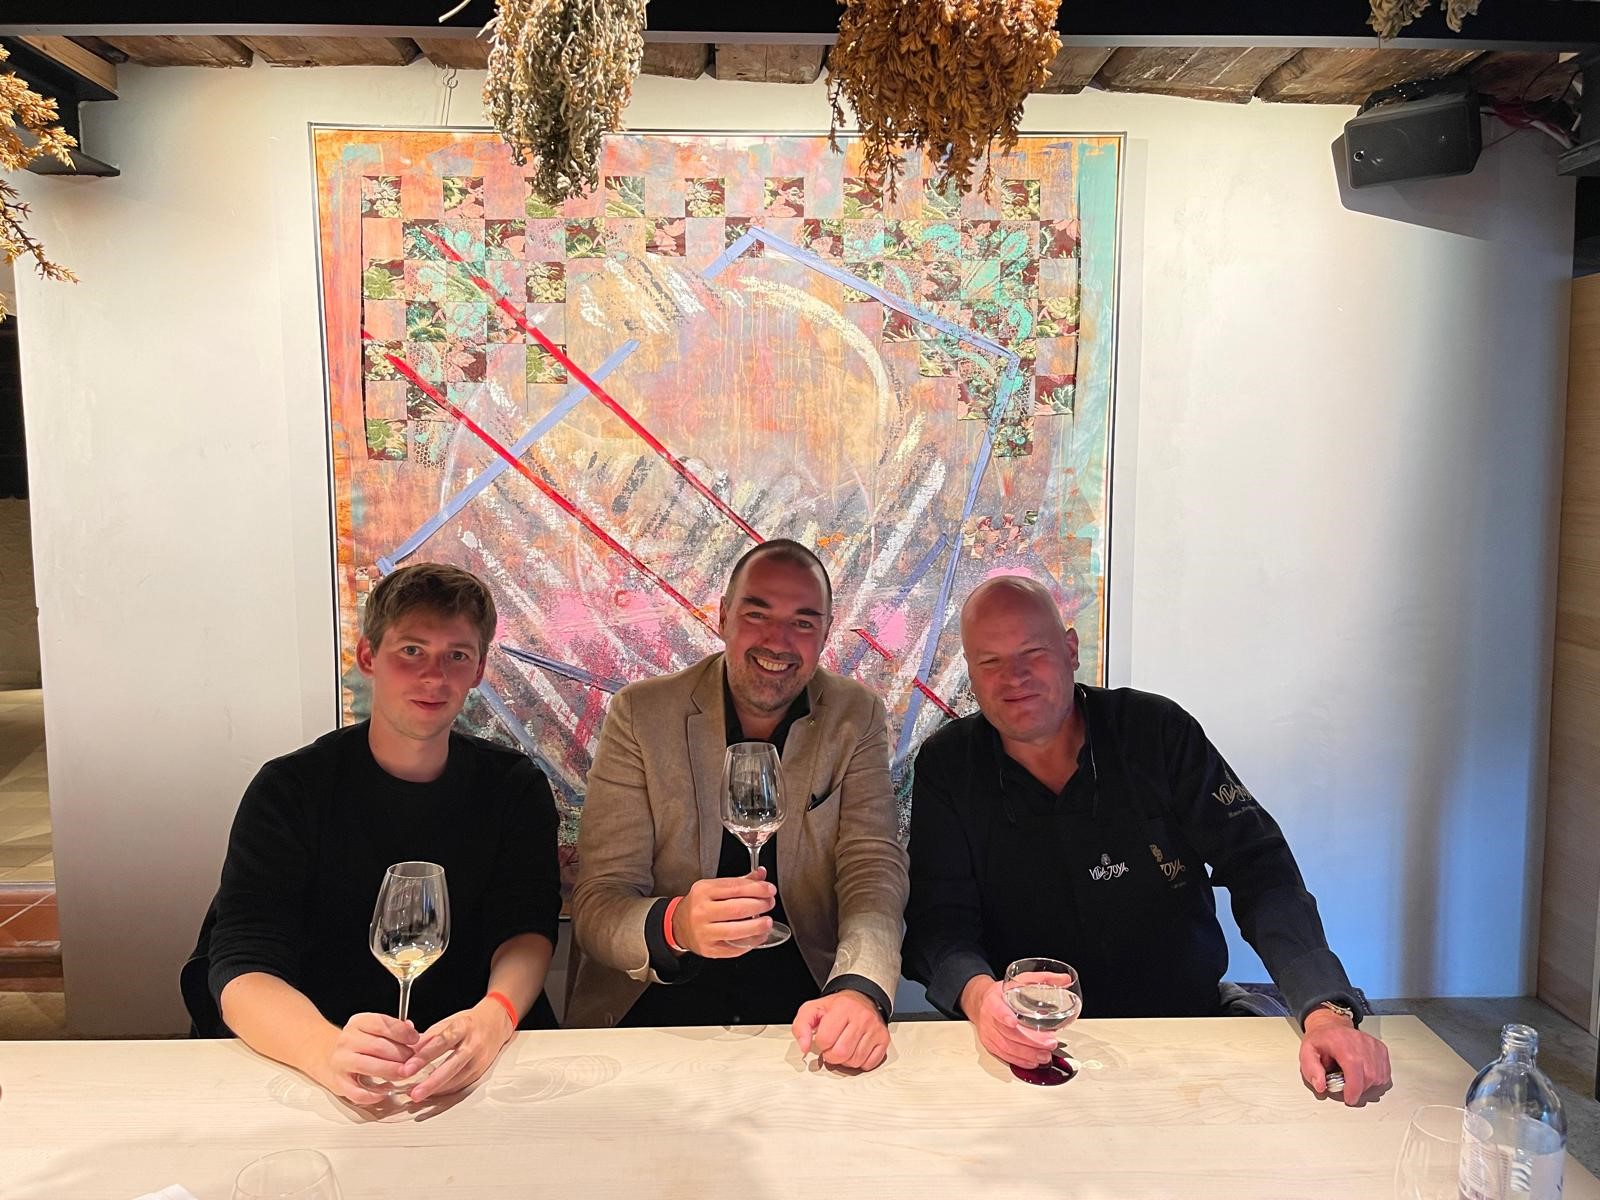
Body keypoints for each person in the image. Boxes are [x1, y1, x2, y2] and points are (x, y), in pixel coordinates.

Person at [902, 575, 1392, 1103]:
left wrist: (1324, 1009)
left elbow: (1259, 867)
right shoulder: (948, 765)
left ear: (1070, 650)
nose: (1013, 676)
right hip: (1030, 1048)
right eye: (990, 661)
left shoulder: (1155, 732)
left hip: (1185, 1029)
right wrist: (980, 999)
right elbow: (938, 922)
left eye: (1032, 651)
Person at [182, 562, 562, 1105]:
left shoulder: (513, 787)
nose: (434, 676)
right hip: (315, 1067)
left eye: (457, 655)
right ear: (368, 658)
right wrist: (324, 1049)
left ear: (478, 671)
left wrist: (494, 1017)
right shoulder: (290, 789)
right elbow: (241, 965)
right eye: (411, 650)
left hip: (470, 1066)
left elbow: (525, 928)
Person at [568, 540, 908, 1072]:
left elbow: (873, 867)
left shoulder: (855, 716)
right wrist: (676, 924)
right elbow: (598, 902)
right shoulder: (641, 714)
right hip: (653, 1011)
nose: (778, 641)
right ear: (723, 615)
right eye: (757, 614)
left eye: (803, 621)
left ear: (825, 631)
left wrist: (859, 988)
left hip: (807, 1006)